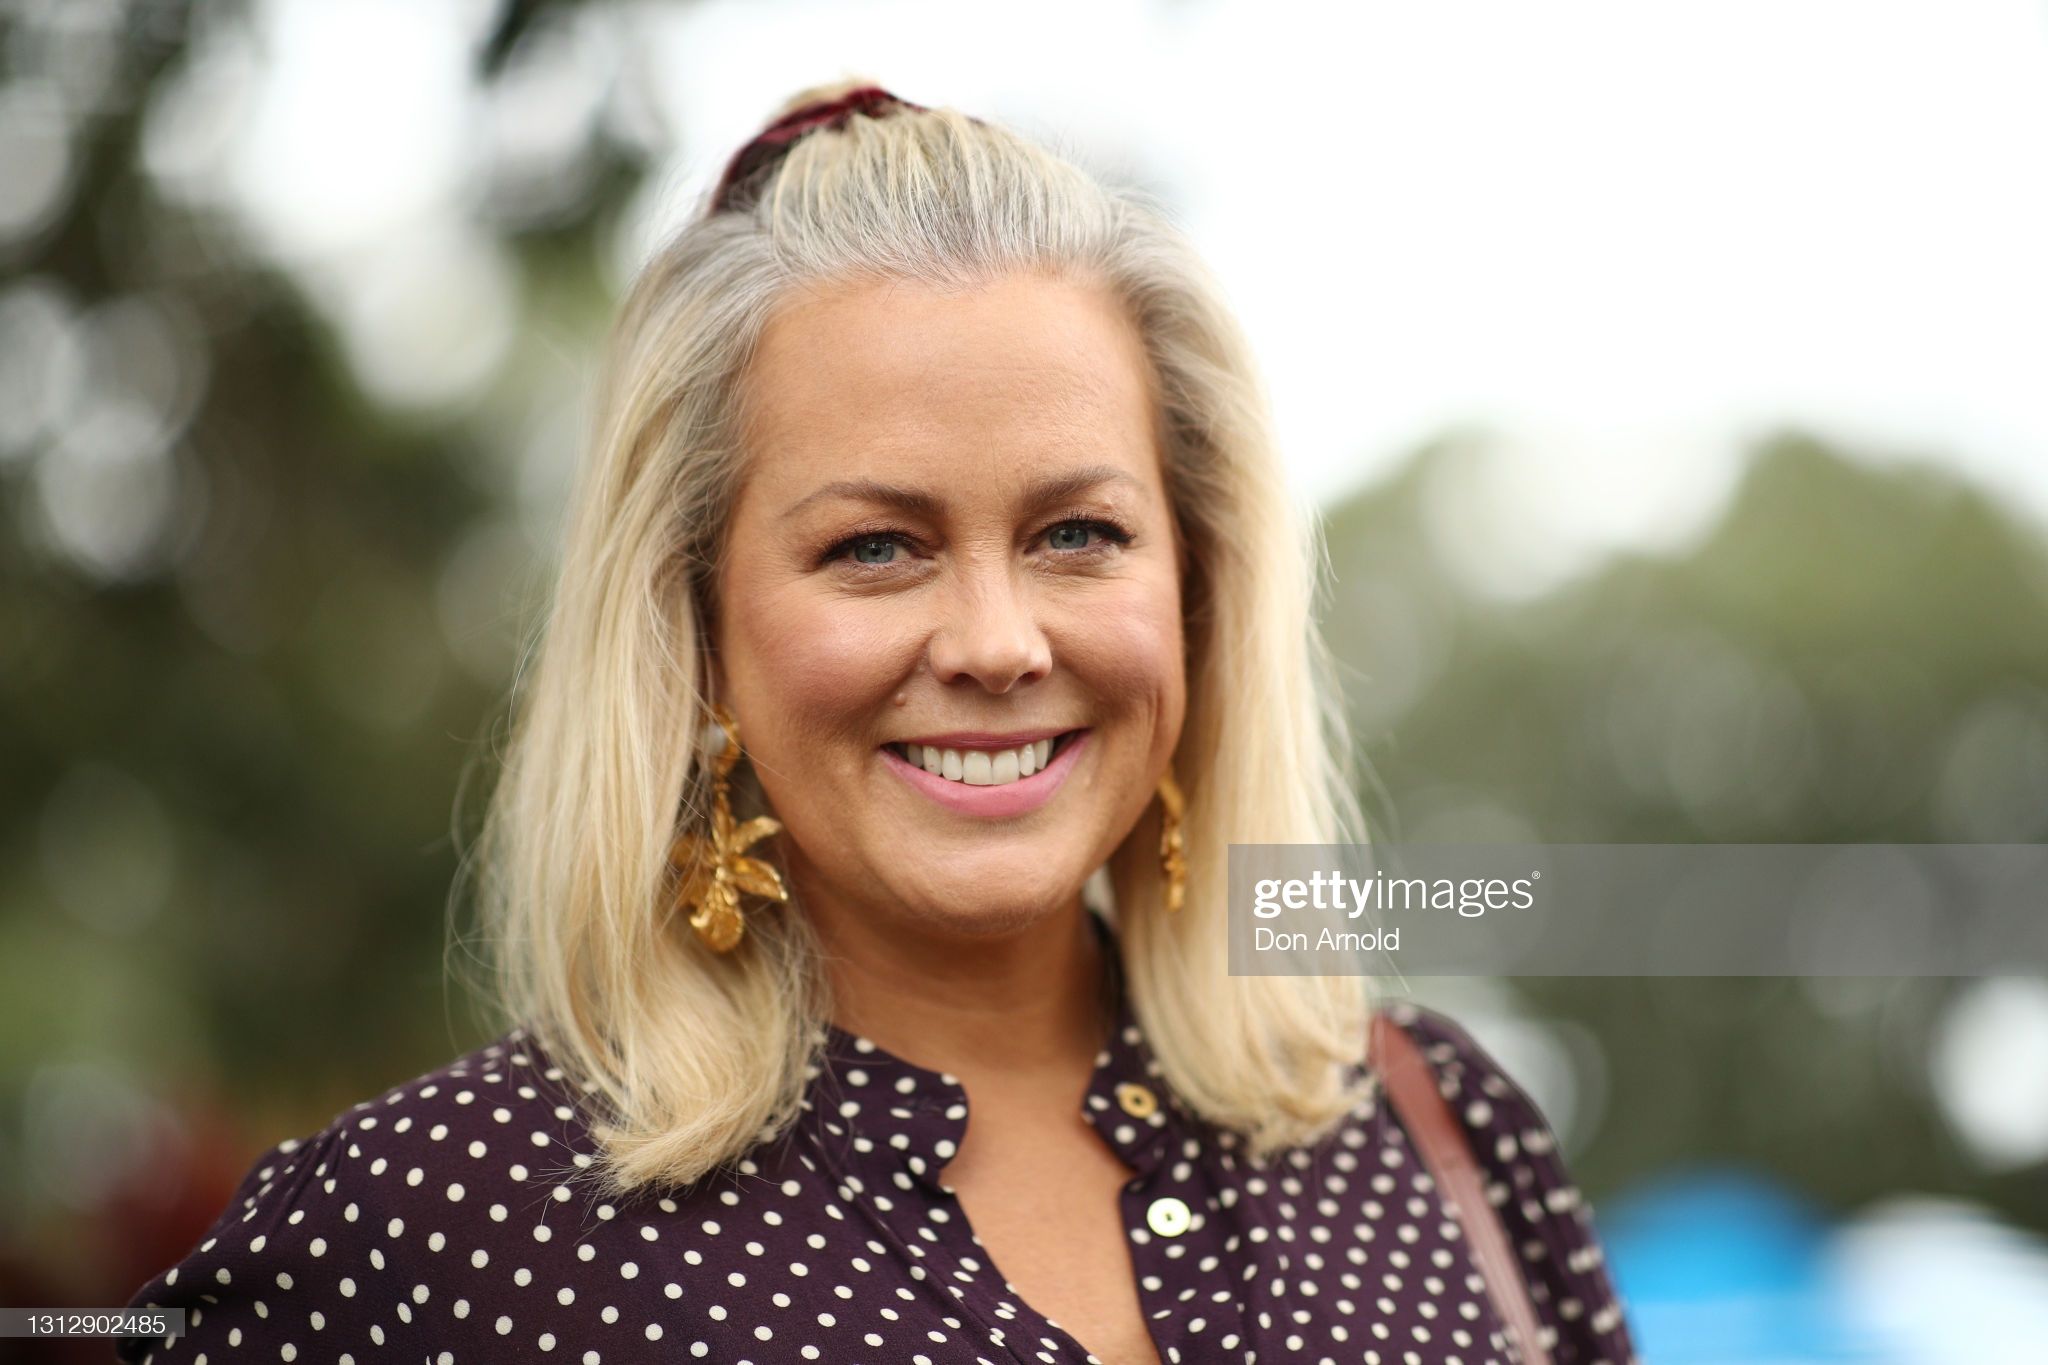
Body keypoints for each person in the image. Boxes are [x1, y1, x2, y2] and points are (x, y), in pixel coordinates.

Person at [119, 79, 1638, 1365]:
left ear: (1198, 591)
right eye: (875, 547)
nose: (996, 643)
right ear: (693, 630)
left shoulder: (1435, 1131)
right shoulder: (425, 1238)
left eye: (1079, 533)